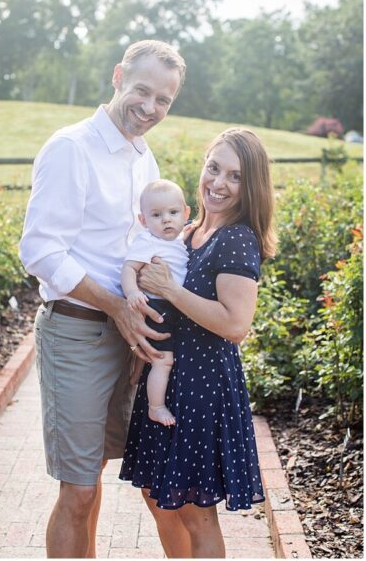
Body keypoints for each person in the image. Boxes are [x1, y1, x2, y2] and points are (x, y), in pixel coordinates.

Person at [19, 39, 183, 558]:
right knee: (79, 487)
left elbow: (149, 243)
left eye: (164, 100)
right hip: (77, 332)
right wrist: (115, 308)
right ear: (117, 77)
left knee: (118, 478)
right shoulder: (72, 147)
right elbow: (40, 251)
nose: (150, 108)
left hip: (126, 335)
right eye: (142, 91)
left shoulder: (143, 156)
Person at [120, 131, 275, 559]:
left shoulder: (238, 239)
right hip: (167, 378)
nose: (219, 183)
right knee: (158, 496)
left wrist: (170, 290)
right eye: (214, 168)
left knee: (195, 511)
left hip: (202, 386)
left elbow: (236, 324)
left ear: (252, 186)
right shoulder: (188, 233)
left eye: (235, 176)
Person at [121, 180, 192, 427]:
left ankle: (137, 373)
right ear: (143, 221)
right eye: (156, 215)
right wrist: (131, 293)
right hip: (158, 308)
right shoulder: (148, 241)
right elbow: (129, 268)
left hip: (177, 306)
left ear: (186, 213)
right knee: (163, 360)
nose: (166, 220)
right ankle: (156, 407)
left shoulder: (181, 239)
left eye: (173, 213)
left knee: (163, 359)